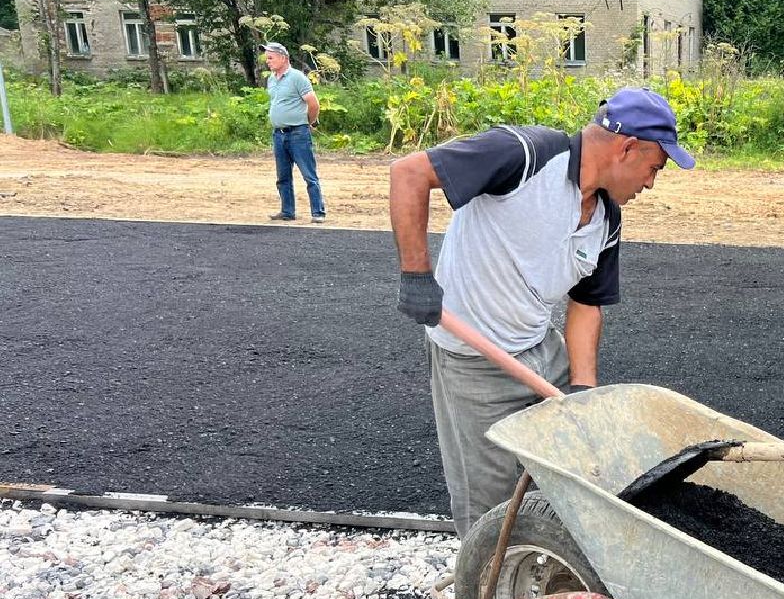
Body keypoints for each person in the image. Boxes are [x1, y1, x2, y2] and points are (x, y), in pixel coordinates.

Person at [389, 88, 695, 536]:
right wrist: (416, 275)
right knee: (490, 506)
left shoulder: (605, 218)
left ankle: (549, 567)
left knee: (572, 472)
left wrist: (583, 390)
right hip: (474, 363)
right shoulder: (525, 154)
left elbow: (587, 304)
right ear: (627, 148)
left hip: (540, 349)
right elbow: (409, 173)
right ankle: (491, 593)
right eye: (654, 168)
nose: (650, 183)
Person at [262, 41, 326, 224]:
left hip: (297, 133)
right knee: (282, 176)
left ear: (283, 58)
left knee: (308, 174)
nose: (268, 61)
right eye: (267, 58)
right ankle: (287, 211)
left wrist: (310, 122)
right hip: (279, 134)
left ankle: (318, 212)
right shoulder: (272, 79)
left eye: (271, 57)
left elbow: (313, 104)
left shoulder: (298, 78)